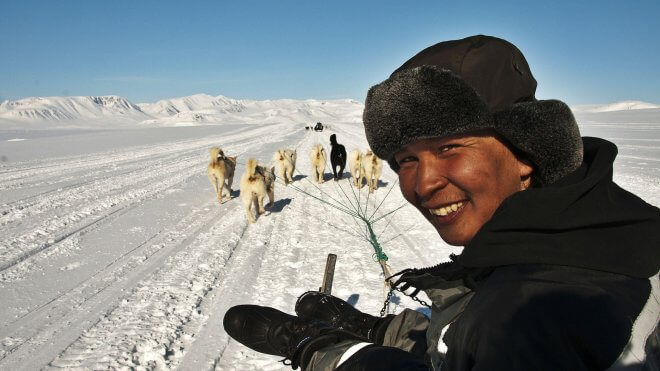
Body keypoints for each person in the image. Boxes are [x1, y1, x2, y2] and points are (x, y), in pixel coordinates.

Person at [223, 35, 660, 370]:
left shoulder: (524, 319)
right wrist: (384, 331)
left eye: (450, 148)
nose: (423, 183)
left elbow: (484, 340)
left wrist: (320, 351)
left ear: (528, 154)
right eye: (406, 159)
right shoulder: (606, 232)